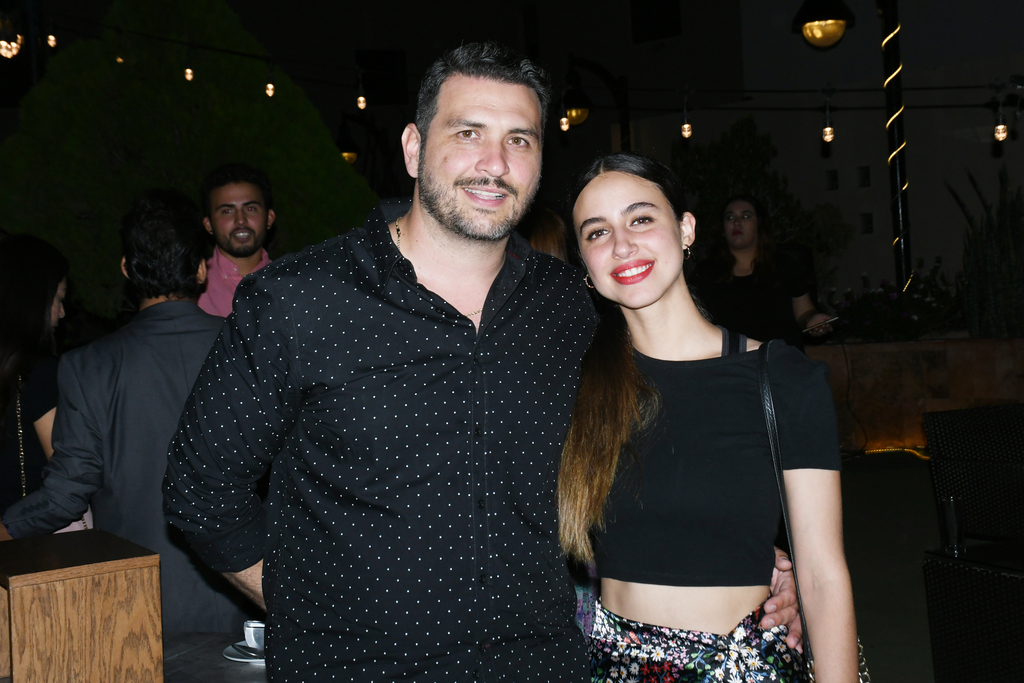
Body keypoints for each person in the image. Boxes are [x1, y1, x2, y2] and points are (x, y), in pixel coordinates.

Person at [163, 43, 801, 681]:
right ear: (414, 148)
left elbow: (660, 443)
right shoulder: (299, 300)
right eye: (468, 133)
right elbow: (200, 492)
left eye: (519, 140)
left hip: (542, 667)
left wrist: (747, 560)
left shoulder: (572, 307)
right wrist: (309, 613)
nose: (495, 164)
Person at [559, 153, 858, 682]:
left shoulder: (782, 379)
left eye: (640, 219)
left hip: (742, 668)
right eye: (597, 232)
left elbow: (822, 575)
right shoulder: (572, 387)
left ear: (686, 229)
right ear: (583, 261)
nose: (622, 245)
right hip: (610, 669)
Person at [1, 190, 259, 634]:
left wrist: (6, 527)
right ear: (201, 269)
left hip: (136, 603)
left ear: (126, 269)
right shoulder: (252, 347)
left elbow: (66, 493)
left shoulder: (87, 366)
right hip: (249, 592)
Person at [691, 195, 832, 351]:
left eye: (745, 216)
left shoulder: (785, 265)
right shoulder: (705, 273)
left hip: (780, 358)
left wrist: (813, 320)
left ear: (759, 224)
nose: (736, 222)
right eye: (730, 217)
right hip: (729, 361)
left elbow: (804, 312)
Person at [0, 234, 68, 514]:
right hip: (23, 530)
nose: (62, 313)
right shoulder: (38, 373)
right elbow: (66, 471)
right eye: (58, 298)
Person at [197, 163, 275, 316]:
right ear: (208, 225)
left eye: (250, 209)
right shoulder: (192, 290)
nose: (240, 220)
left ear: (269, 218)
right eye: (227, 211)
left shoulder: (290, 285)